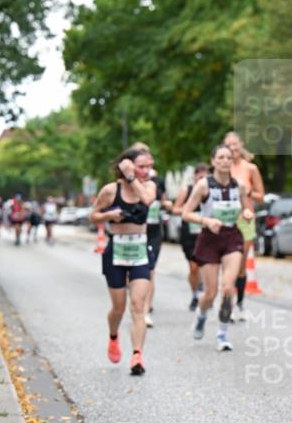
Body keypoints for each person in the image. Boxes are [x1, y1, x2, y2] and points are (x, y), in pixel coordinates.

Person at [89, 147, 158, 375]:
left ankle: (137, 356)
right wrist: (108, 215)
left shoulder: (149, 186)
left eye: (149, 166)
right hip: (116, 250)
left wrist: (131, 177)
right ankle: (113, 336)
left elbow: (147, 200)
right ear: (127, 165)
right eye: (142, 166)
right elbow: (93, 215)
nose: (147, 171)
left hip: (139, 250)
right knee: (118, 308)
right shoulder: (111, 190)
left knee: (138, 305)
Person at [183, 144, 254, 351]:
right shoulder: (203, 185)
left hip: (232, 237)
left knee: (229, 288)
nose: (225, 161)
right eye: (221, 157)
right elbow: (186, 213)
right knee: (210, 293)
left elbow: (246, 209)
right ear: (213, 161)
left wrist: (246, 214)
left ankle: (222, 334)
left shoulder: (239, 185)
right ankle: (201, 316)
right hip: (209, 239)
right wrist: (206, 221)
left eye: (228, 158)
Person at [225, 131, 265, 321]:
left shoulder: (250, 168)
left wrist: (248, 192)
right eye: (228, 145)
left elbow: (261, 197)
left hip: (245, 219)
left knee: (240, 264)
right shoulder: (221, 167)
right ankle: (227, 303)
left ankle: (239, 303)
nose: (232, 148)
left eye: (235, 144)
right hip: (226, 219)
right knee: (227, 263)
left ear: (241, 145)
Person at [132, 144, 171, 328]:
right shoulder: (128, 182)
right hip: (133, 232)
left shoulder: (158, 181)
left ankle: (146, 310)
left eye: (148, 159)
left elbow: (163, 200)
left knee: (150, 271)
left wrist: (167, 204)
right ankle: (137, 304)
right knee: (134, 275)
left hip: (153, 231)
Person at [173, 163, 209, 310]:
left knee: (205, 266)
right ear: (194, 177)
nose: (201, 179)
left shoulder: (210, 191)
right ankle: (195, 294)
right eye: (199, 176)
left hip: (205, 233)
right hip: (189, 234)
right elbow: (175, 209)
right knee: (194, 267)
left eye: (204, 176)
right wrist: (187, 211)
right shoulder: (186, 190)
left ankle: (205, 292)